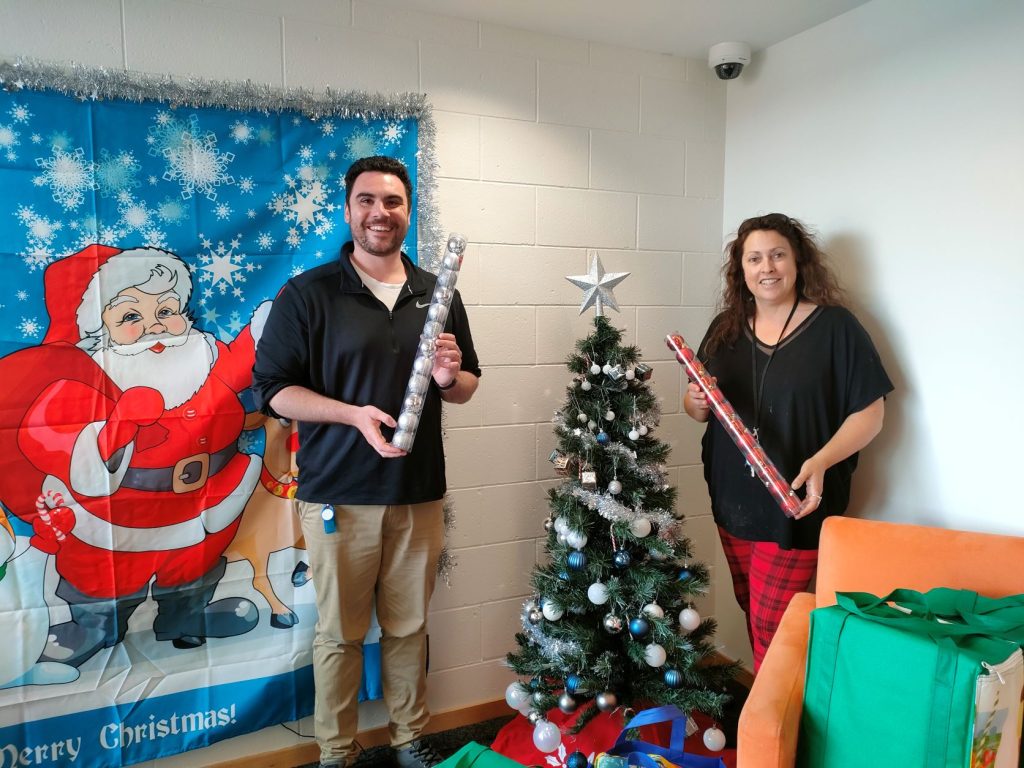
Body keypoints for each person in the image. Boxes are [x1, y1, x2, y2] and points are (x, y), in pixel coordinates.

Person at [251, 155, 481, 768]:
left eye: (393, 202)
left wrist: (449, 376)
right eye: (368, 201)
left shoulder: (438, 292)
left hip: (416, 491)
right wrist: (352, 414)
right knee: (341, 635)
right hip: (338, 496)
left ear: (408, 211)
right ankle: (335, 749)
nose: (381, 213)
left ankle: (410, 739)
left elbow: (465, 390)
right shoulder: (309, 293)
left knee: (408, 630)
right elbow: (273, 390)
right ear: (349, 208)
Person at [0, 244, 266, 668]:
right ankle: (93, 627)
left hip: (204, 500)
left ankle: (184, 618)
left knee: (193, 566)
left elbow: (241, 371)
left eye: (167, 310)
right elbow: (49, 436)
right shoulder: (79, 379)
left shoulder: (201, 361)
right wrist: (119, 426)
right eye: (129, 316)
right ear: (98, 330)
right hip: (115, 518)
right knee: (103, 577)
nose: (154, 328)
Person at [683, 213, 892, 672]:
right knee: (755, 615)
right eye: (754, 258)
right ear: (741, 269)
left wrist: (821, 461)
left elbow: (871, 412)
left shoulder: (836, 328)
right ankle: (768, 726)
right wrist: (694, 401)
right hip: (733, 503)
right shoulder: (726, 327)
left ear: (798, 261)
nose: (767, 267)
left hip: (796, 505)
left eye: (778, 254)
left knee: (775, 631)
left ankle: (772, 733)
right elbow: (698, 408)